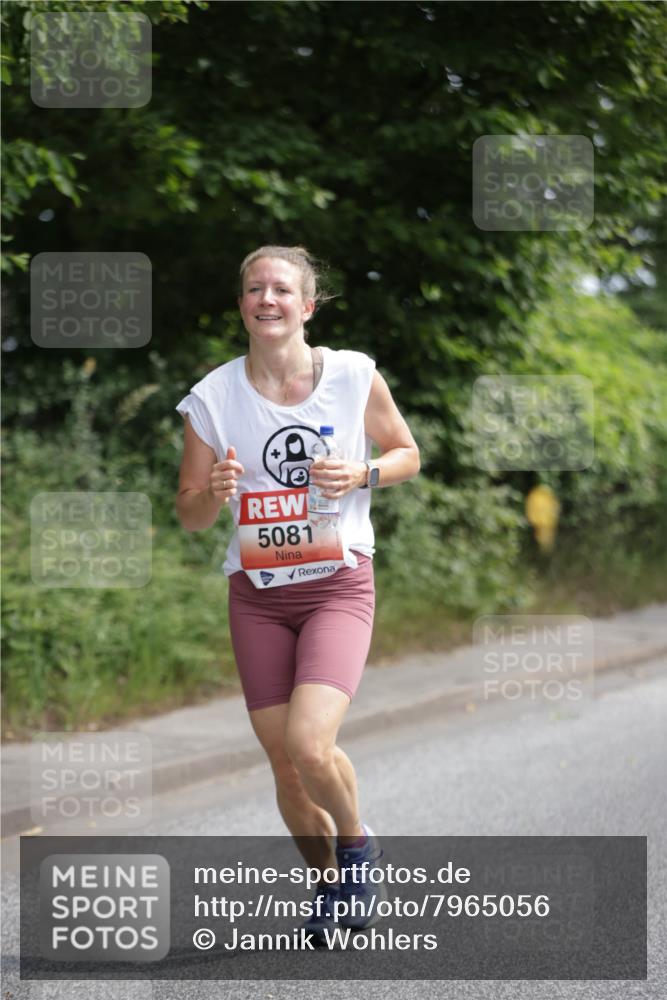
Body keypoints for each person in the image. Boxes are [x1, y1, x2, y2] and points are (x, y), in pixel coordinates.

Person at [175, 245, 420, 942]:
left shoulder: (350, 375)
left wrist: (361, 474)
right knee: (284, 766)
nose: (267, 298)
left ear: (306, 305)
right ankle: (329, 890)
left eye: (281, 288)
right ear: (242, 306)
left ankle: (356, 847)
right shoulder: (212, 398)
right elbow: (189, 511)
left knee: (311, 744)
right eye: (254, 288)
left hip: (336, 585)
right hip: (256, 594)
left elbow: (407, 452)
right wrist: (211, 493)